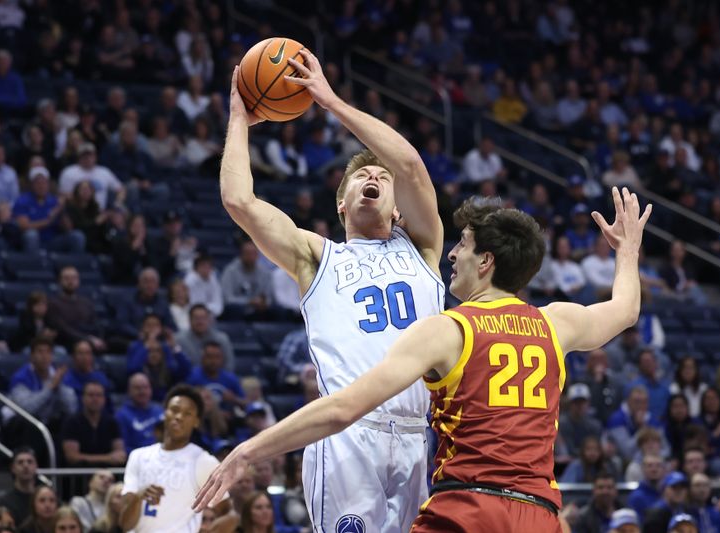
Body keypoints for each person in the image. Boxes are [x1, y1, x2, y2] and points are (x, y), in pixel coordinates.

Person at [196, 187, 652, 532]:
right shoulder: (558, 323)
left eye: (465, 245)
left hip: (468, 508)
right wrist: (627, 251)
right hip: (539, 512)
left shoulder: (449, 329)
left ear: (486, 261)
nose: (453, 253)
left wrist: (249, 450)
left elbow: (342, 408)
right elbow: (626, 310)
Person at [207, 50, 446, 533]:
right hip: (347, 435)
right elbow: (239, 200)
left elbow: (412, 167)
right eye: (361, 175)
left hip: (418, 438)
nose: (374, 178)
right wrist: (238, 118)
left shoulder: (423, 248)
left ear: (399, 209)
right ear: (341, 203)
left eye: (382, 177)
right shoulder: (318, 257)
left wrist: (330, 101)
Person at [119, 385, 229, 532]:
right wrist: (139, 496)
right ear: (165, 413)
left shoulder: (204, 461)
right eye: (175, 410)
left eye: (187, 413)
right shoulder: (138, 456)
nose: (179, 417)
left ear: (196, 421)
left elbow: (230, 513)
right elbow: (125, 524)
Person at [60, 381, 127, 467]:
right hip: (79, 476)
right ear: (83, 398)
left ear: (104, 399)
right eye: (91, 395)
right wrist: (108, 458)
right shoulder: (71, 422)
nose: (95, 399)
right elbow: (72, 457)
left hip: (107, 476)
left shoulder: (111, 422)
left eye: (99, 395)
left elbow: (120, 454)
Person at [0, 447, 38, 525]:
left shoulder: (46, 499)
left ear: (36, 466)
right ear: (12, 468)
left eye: (30, 462)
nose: (25, 465)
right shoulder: (4, 502)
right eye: (20, 462)